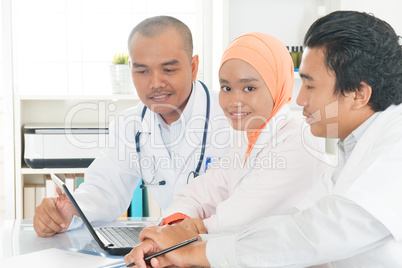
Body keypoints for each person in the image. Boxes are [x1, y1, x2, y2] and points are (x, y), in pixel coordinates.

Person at [124, 10, 402, 268]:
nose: (300, 99)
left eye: (310, 86)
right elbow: (295, 220)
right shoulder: (352, 144)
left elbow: (314, 233)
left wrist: (191, 248)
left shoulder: (394, 147)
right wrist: (185, 241)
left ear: (358, 94)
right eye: (226, 87)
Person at [33, 15, 232, 237]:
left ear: (193, 67)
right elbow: (105, 189)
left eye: (168, 70)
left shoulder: (234, 116)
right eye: (142, 71)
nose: (155, 83)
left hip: (228, 245)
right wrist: (69, 211)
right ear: (130, 69)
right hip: (172, 246)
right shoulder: (130, 125)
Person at [160, 32, 326, 235]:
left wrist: (185, 233)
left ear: (277, 86)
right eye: (226, 87)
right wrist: (177, 224)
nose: (234, 101)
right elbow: (197, 194)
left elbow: (243, 216)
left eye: (249, 88)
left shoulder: (299, 140)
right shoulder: (246, 141)